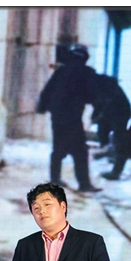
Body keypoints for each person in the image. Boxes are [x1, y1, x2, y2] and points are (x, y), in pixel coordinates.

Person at [36, 44, 101, 193]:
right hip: (73, 116)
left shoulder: (60, 71)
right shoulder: (86, 72)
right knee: (80, 151)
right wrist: (97, 108)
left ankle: (55, 179)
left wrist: (42, 107)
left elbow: (47, 91)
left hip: (58, 115)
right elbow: (91, 95)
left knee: (58, 148)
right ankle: (84, 184)